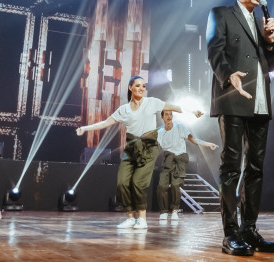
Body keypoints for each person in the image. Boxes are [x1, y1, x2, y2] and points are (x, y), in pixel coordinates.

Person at [206, 0, 274, 256]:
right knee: (231, 166)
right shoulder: (221, 13)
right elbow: (214, 50)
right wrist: (228, 76)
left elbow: (271, 65)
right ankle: (231, 233)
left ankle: (249, 229)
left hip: (260, 101)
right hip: (234, 99)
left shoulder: (262, 23)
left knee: (256, 168)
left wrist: (269, 41)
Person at [76, 76, 202, 230]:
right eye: (138, 86)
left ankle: (142, 219)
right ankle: (130, 218)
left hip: (149, 148)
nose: (142, 89)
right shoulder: (124, 109)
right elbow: (105, 123)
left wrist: (192, 111)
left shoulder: (152, 102)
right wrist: (84, 128)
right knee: (122, 183)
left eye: (143, 86)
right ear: (130, 87)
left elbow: (175, 107)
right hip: (131, 149)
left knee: (138, 182)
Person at [156, 110, 218, 221]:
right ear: (162, 117)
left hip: (180, 159)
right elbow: (156, 147)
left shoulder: (180, 127)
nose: (169, 116)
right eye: (166, 114)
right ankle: (163, 212)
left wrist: (208, 144)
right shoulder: (160, 132)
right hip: (167, 160)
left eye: (170, 114)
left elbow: (193, 139)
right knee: (161, 186)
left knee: (175, 185)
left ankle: (175, 210)